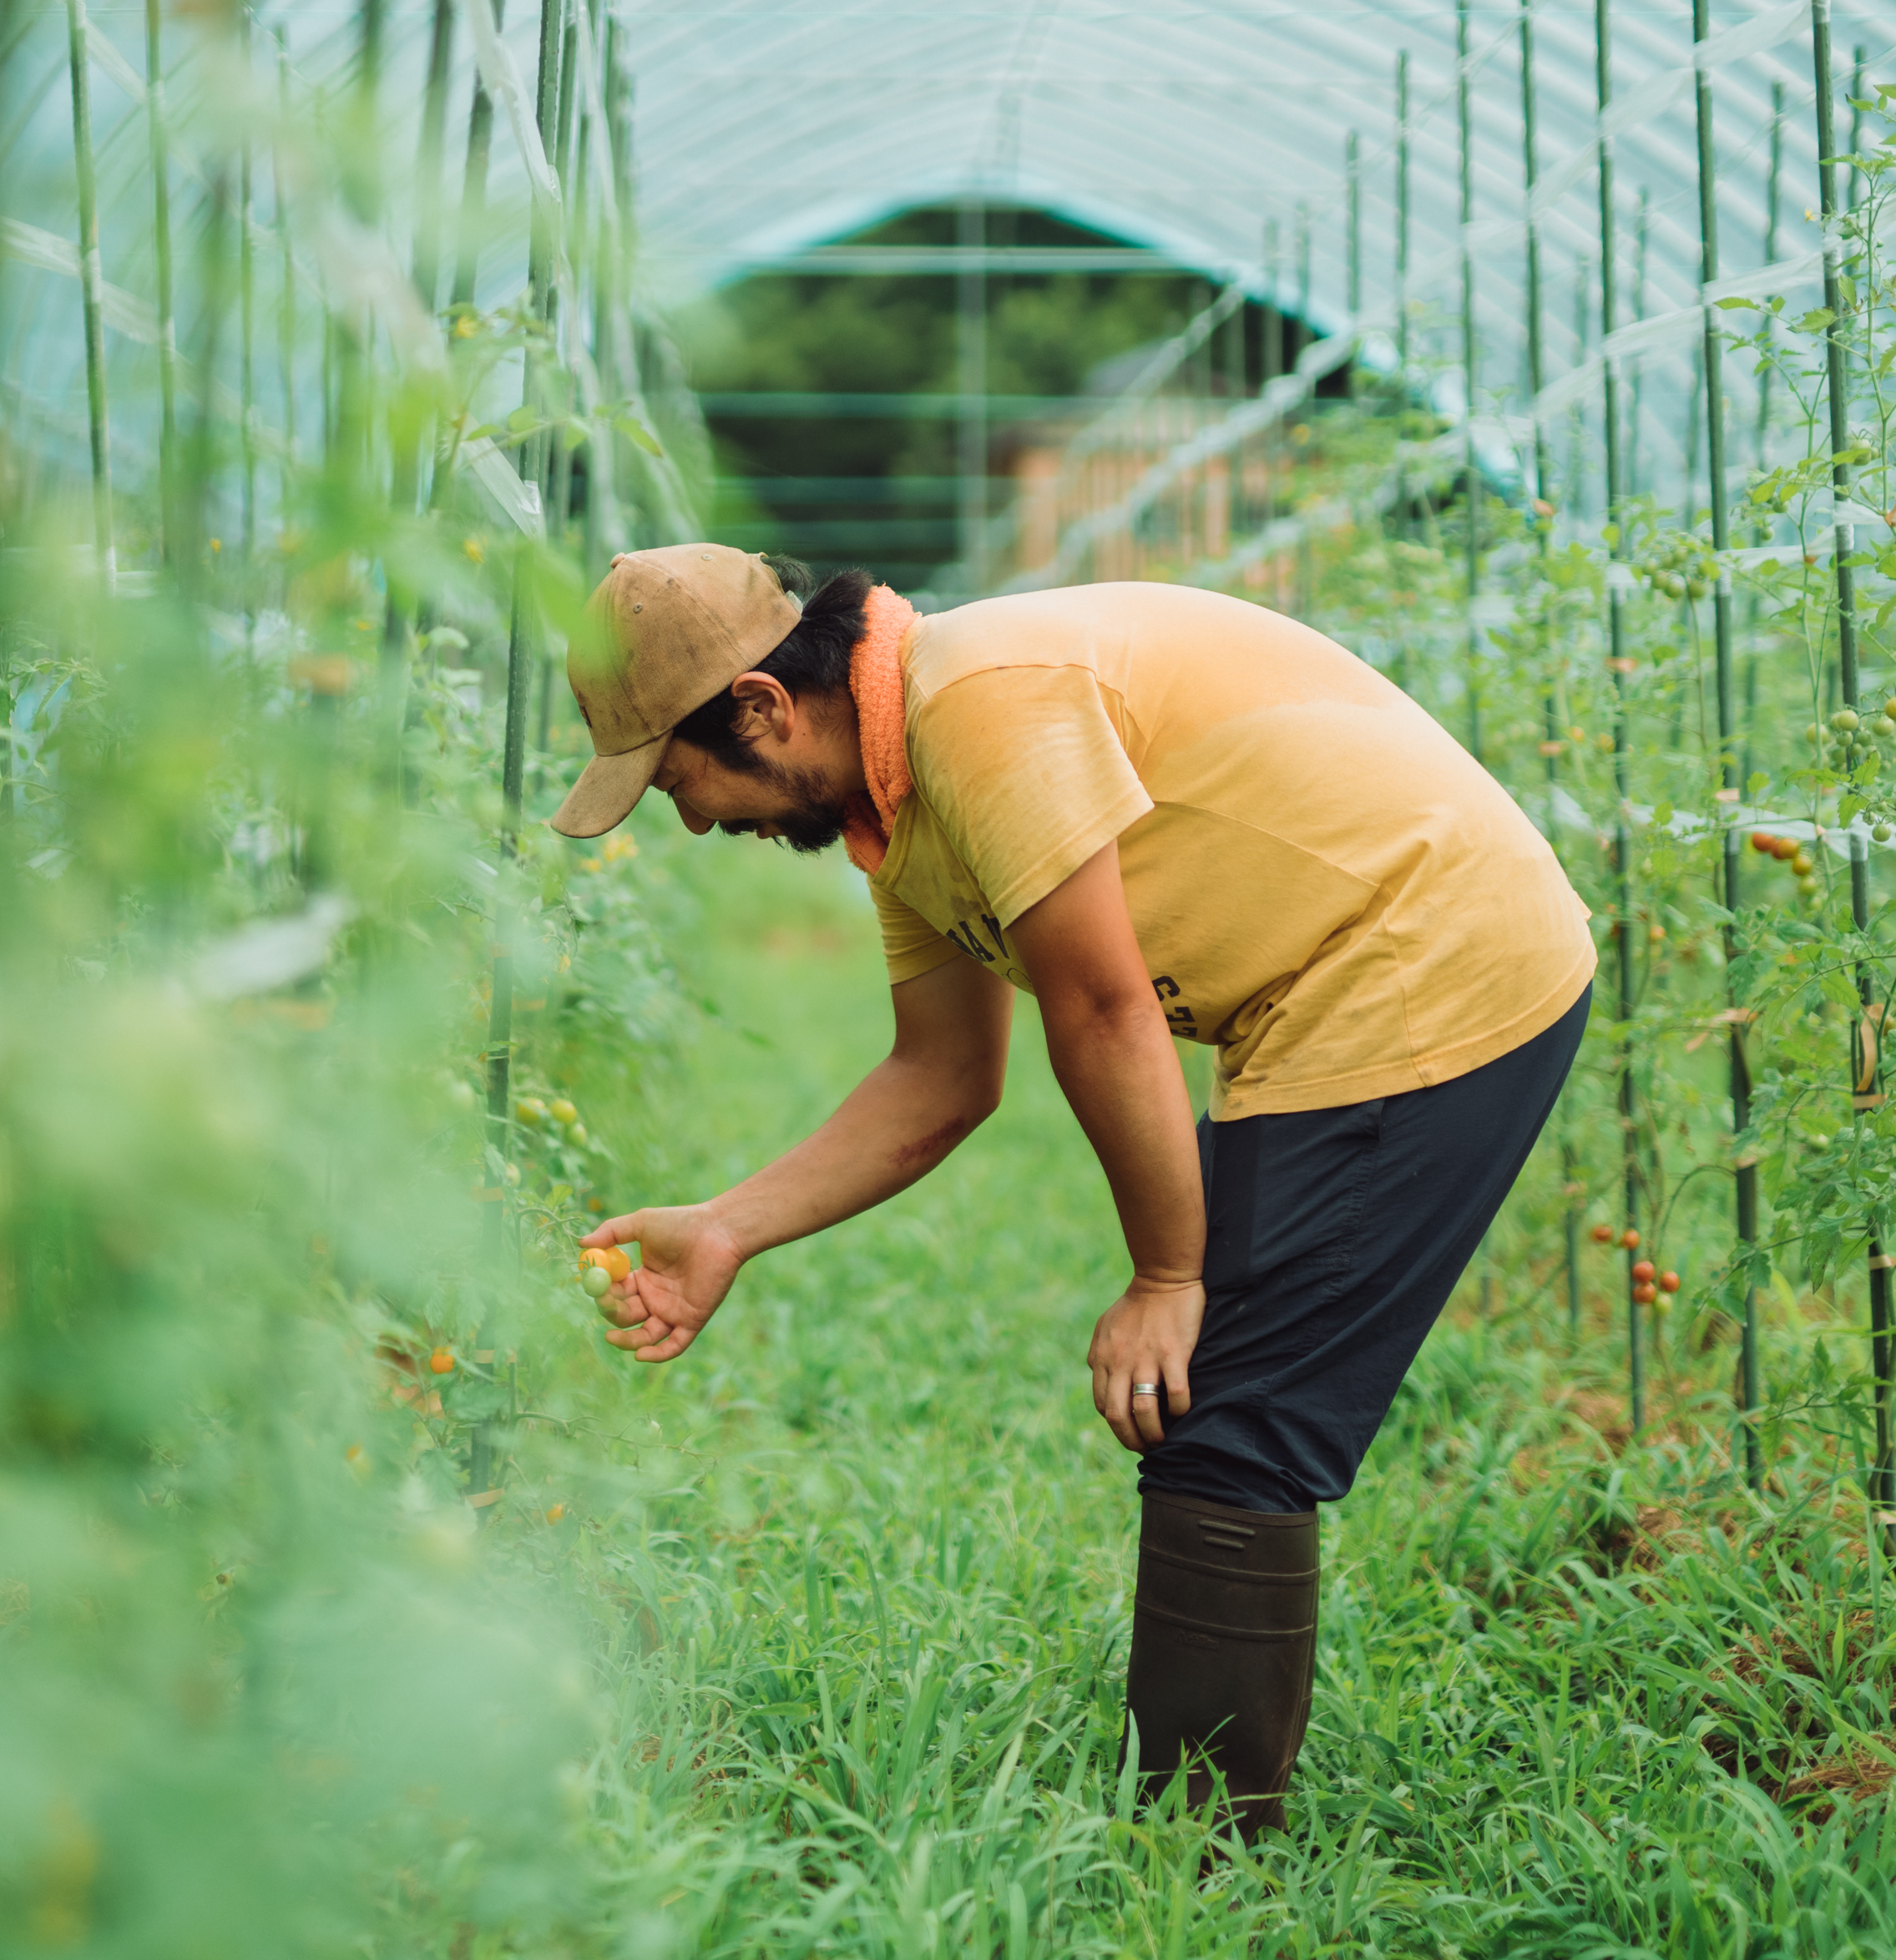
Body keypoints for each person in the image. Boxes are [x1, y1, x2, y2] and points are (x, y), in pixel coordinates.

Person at [550, 545, 1592, 1836]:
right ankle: (1194, 1831)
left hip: (1431, 956)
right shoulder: (901, 797)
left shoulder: (981, 705)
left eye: (678, 782)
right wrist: (726, 1228)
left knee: (1231, 1416)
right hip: (1325, 990)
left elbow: (1101, 1007)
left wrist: (1170, 1275)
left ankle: (1198, 1861)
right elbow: (941, 1078)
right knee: (1222, 1402)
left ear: (763, 709)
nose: (697, 821)